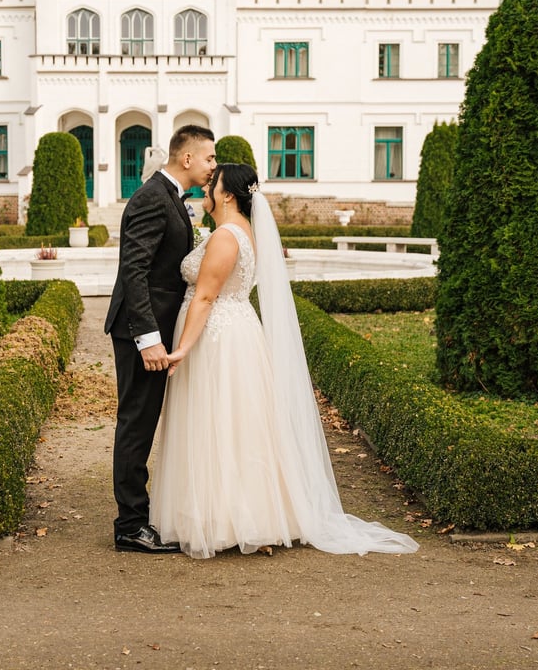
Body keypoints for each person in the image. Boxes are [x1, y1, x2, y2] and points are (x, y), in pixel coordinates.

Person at [150, 163, 420, 559]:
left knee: (219, 421)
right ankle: (240, 514)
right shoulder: (243, 231)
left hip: (217, 338)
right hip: (236, 330)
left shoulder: (226, 236)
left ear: (227, 195)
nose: (205, 189)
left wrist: (182, 349)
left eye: (212, 184)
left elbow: (205, 297)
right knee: (239, 425)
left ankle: (223, 519)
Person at [105, 124, 217, 554]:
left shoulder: (170, 196)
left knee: (143, 421)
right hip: (140, 332)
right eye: (209, 157)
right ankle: (130, 525)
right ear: (187, 158)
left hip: (154, 328)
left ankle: (139, 515)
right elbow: (133, 271)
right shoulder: (153, 197)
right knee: (136, 423)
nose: (213, 165)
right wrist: (148, 338)